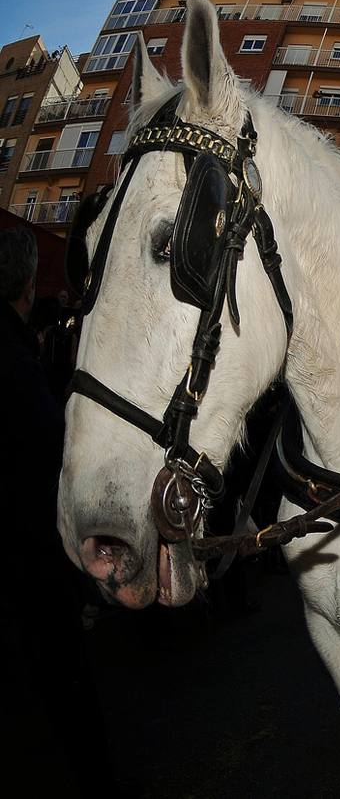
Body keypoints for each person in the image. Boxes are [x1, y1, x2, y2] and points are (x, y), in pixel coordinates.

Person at [0, 228, 111, 793]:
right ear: (24, 286)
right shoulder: (19, 361)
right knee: (60, 677)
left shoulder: (27, 347)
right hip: (31, 555)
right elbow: (50, 448)